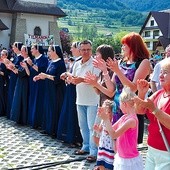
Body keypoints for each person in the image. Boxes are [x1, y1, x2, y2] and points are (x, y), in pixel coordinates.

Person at [92, 32, 151, 144]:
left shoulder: (143, 62)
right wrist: (105, 71)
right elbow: (111, 90)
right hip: (117, 108)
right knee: (113, 144)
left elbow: (133, 88)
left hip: (131, 108)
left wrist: (117, 71)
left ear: (133, 46)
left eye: (125, 45)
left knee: (127, 146)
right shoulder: (121, 62)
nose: (122, 47)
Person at [134, 58, 170, 170]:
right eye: (161, 72)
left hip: (166, 151)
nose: (161, 75)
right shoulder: (159, 93)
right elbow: (139, 111)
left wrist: (154, 109)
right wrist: (141, 93)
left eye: (166, 72)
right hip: (152, 149)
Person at [69, 40, 101, 163]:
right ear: (79, 50)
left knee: (92, 127)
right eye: (83, 49)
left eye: (88, 49)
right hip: (80, 99)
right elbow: (74, 78)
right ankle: (85, 146)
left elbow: (96, 80)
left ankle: (94, 151)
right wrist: (69, 78)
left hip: (93, 100)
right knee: (83, 126)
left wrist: (81, 80)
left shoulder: (95, 64)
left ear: (91, 50)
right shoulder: (77, 64)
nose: (86, 52)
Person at [98, 86, 144, 170]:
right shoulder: (124, 117)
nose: (119, 107)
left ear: (124, 104)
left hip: (129, 159)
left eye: (119, 104)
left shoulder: (131, 120)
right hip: (121, 156)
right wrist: (105, 119)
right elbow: (110, 130)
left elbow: (114, 135)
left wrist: (105, 119)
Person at [34, 45, 66, 138]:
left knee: (54, 109)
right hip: (49, 89)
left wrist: (46, 76)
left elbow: (59, 79)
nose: (48, 53)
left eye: (49, 51)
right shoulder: (51, 62)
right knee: (48, 108)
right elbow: (47, 74)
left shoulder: (60, 63)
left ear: (55, 52)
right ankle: (48, 128)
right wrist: (40, 77)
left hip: (56, 90)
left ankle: (54, 130)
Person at [57, 41, 82, 147]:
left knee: (73, 113)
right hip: (71, 89)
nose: (71, 49)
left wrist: (67, 75)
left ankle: (75, 138)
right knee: (69, 112)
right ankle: (69, 136)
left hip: (76, 91)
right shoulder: (76, 61)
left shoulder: (80, 61)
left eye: (73, 47)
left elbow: (77, 77)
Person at [27, 44, 48, 129]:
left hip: (40, 84)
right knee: (33, 101)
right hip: (33, 83)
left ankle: (38, 122)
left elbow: (42, 70)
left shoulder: (43, 59)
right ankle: (32, 121)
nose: (31, 50)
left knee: (38, 102)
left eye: (32, 48)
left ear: (37, 49)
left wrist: (31, 64)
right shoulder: (34, 59)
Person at [94, 99, 115, 170]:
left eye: (108, 112)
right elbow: (100, 130)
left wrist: (109, 131)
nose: (106, 114)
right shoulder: (103, 120)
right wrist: (97, 129)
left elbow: (113, 132)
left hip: (110, 145)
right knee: (101, 161)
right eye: (104, 111)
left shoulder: (113, 121)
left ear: (112, 112)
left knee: (109, 162)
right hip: (103, 144)